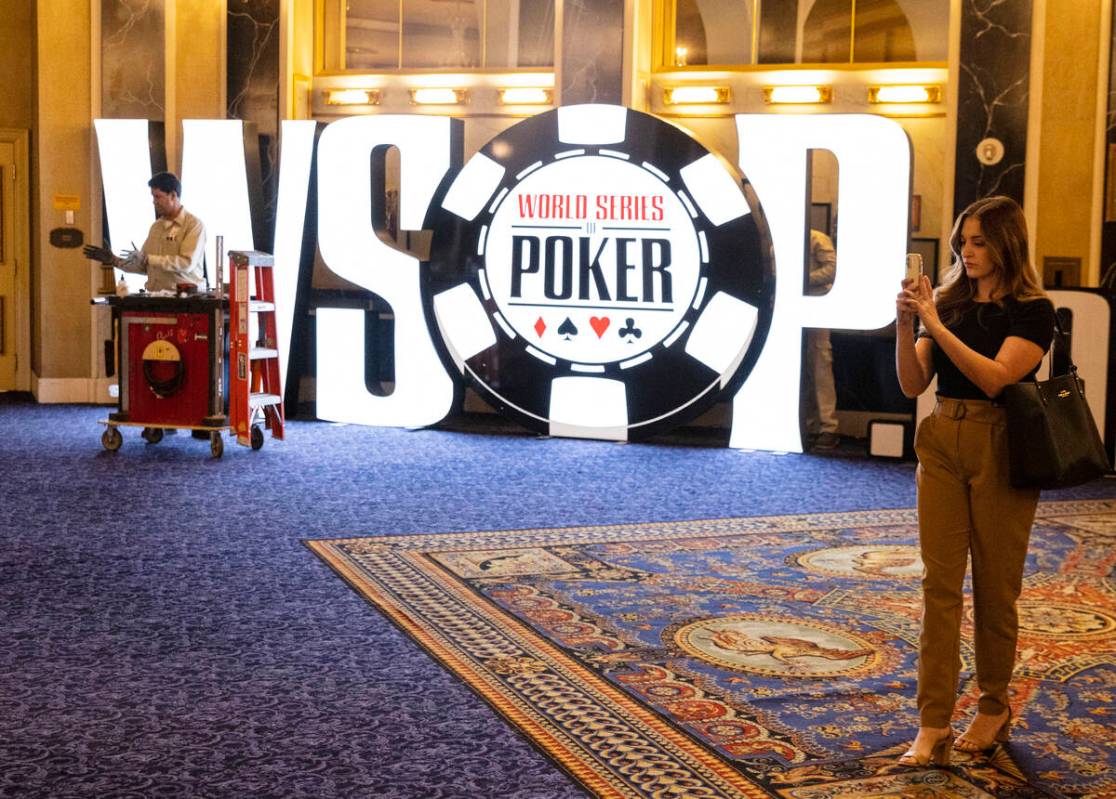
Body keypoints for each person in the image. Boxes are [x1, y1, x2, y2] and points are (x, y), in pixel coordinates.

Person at [894, 195, 1054, 767]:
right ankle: (932, 720)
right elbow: (914, 384)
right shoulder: (951, 302)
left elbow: (995, 379)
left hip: (1002, 446)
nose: (967, 251)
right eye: (964, 239)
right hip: (940, 440)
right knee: (939, 585)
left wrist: (934, 321)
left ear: (1008, 243)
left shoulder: (1033, 310)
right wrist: (909, 324)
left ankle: (992, 706)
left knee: (995, 585)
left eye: (981, 240)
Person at [83, 171, 207, 292]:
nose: (154, 201)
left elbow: (186, 263)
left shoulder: (193, 225)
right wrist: (114, 260)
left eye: (158, 196)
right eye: (153, 196)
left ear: (173, 196)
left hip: (187, 302)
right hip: (157, 298)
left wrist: (148, 259)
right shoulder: (156, 227)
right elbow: (143, 266)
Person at [803, 228, 840, 449]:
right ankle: (806, 424)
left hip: (817, 307)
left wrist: (801, 279)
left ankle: (828, 427)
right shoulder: (779, 240)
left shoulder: (816, 238)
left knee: (820, 367)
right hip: (791, 307)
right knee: (801, 371)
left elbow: (832, 270)